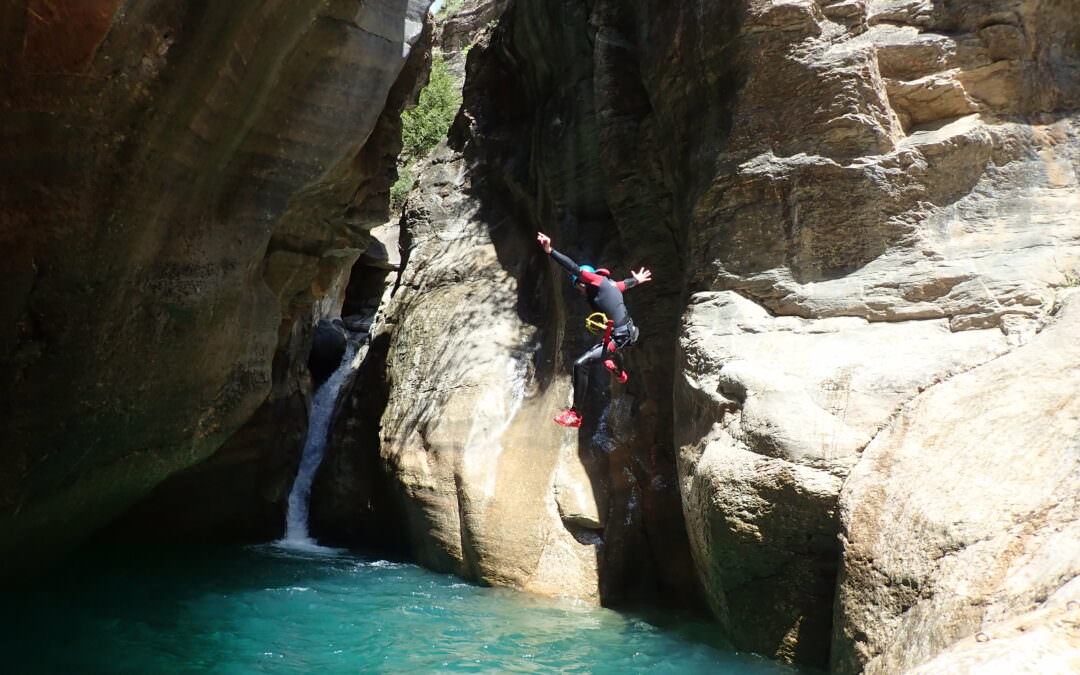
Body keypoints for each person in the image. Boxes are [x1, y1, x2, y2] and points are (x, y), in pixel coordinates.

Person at [537, 232, 652, 427]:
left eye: (578, 286)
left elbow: (572, 267)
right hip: (624, 333)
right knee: (605, 348)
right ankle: (619, 372)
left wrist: (550, 250)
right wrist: (637, 280)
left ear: (583, 282)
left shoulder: (596, 282)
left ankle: (576, 414)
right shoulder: (611, 285)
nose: (579, 291)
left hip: (621, 334)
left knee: (581, 364)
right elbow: (626, 284)